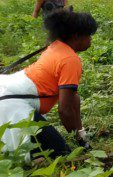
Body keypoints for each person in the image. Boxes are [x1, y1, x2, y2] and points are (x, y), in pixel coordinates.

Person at [0, 11, 97, 157]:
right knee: (60, 154)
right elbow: (64, 110)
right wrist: (77, 139)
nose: (90, 40)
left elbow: (73, 99)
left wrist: (81, 135)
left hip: (7, 89)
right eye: (89, 36)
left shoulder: (57, 46)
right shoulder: (70, 60)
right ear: (77, 35)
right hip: (12, 103)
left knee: (46, 146)